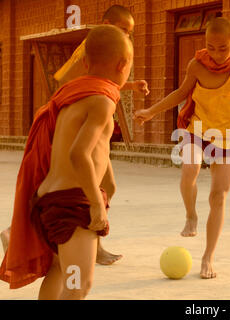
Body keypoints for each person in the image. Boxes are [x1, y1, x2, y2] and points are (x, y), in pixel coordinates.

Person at [134, 17, 230, 279]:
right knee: (189, 169)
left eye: (223, 48)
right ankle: (191, 215)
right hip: (197, 130)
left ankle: (208, 257)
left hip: (227, 136)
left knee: (219, 196)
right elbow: (181, 93)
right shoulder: (197, 64)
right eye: (211, 47)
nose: (216, 54)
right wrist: (151, 111)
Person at [0, 4, 148, 265]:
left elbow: (101, 80)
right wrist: (86, 102)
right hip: (81, 123)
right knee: (72, 188)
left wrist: (131, 86)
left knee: (110, 187)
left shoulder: (110, 55)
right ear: (105, 23)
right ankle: (22, 231)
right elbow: (69, 80)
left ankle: (95, 234)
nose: (126, 35)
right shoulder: (92, 45)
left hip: (93, 122)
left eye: (129, 32)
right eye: (123, 29)